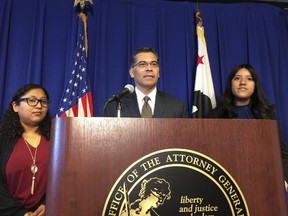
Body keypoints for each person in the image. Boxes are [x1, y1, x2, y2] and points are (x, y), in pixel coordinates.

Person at [208, 64, 288, 183]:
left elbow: (282, 152)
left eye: (249, 79)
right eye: (237, 78)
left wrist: (283, 179)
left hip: (263, 181)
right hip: (226, 183)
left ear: (255, 85)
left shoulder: (266, 115)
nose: (243, 82)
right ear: (230, 84)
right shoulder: (216, 116)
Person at [0, 83, 52, 216]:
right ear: (15, 106)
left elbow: (66, 178)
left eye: (43, 101)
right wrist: (20, 213)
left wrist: (49, 204)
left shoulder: (57, 139)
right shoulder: (2, 140)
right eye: (32, 100)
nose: (39, 105)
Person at [103, 47, 188, 118]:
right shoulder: (114, 106)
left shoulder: (177, 107)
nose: (149, 68)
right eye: (142, 64)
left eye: (154, 64)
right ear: (132, 72)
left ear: (158, 72)